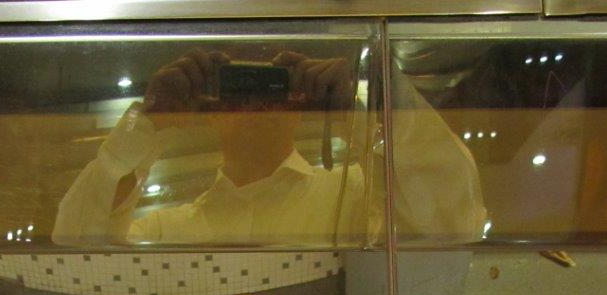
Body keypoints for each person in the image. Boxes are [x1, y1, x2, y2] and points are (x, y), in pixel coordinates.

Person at [52, 49, 486, 248]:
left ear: (300, 104)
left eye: (273, 90)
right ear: (212, 109)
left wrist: (361, 112)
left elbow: (455, 223)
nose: (256, 103)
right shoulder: (166, 231)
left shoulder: (356, 195)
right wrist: (149, 120)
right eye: (238, 91)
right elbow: (73, 244)